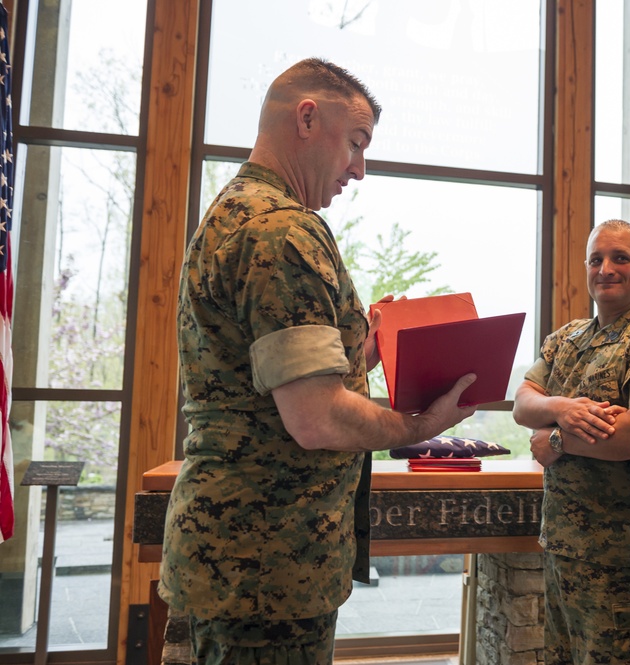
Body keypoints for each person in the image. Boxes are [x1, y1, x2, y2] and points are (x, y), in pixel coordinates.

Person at [158, 58, 477, 663]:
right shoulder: (282, 231)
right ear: (308, 118)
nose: (359, 169)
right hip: (264, 572)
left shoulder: (241, 212)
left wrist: (358, 346)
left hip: (241, 564)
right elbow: (317, 418)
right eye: (356, 144)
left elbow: (262, 377)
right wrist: (420, 427)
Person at [512, 219, 630, 664]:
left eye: (620, 258)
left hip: (622, 563)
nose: (605, 269)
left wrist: (555, 440)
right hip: (565, 550)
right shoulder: (567, 338)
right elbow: (522, 403)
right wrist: (562, 410)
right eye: (596, 259)